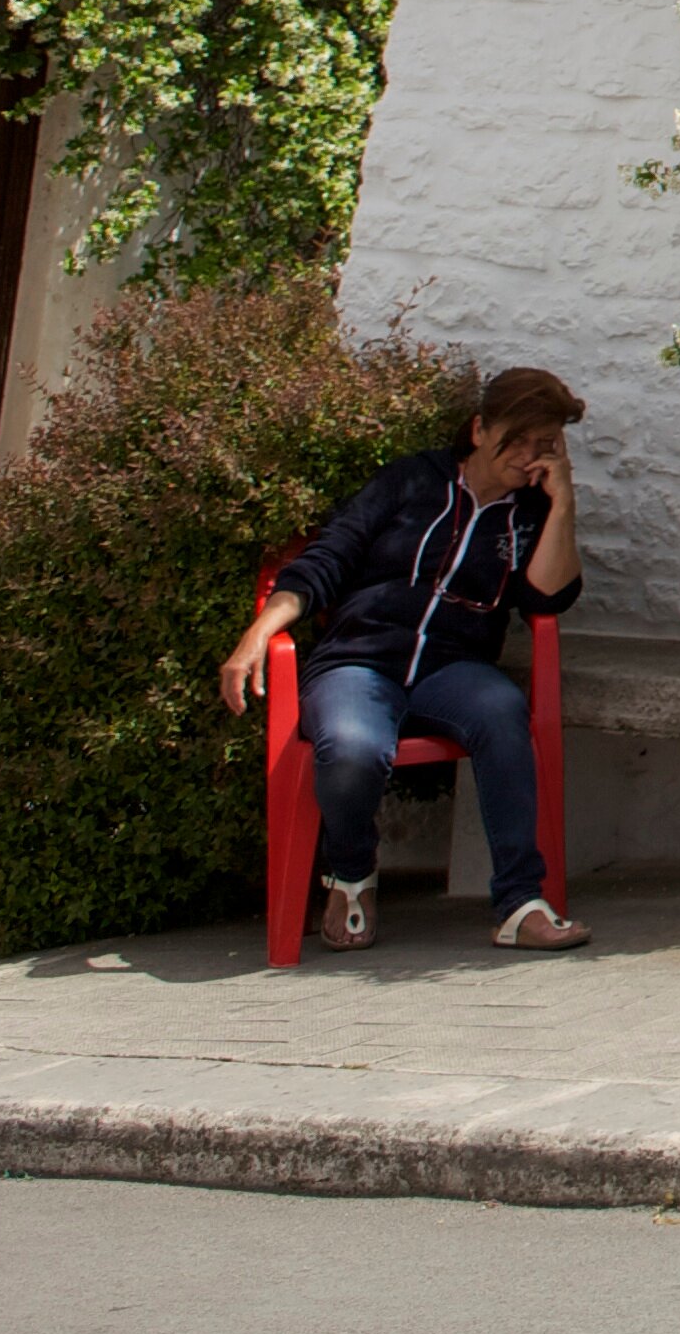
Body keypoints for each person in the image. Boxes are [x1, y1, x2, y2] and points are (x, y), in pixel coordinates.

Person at [219, 365, 591, 952]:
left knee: (501, 713)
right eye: (517, 439)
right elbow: (325, 560)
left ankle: (520, 903)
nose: (528, 456)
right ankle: (351, 874)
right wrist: (258, 634)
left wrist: (563, 499)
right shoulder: (411, 482)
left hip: (452, 672)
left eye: (545, 443)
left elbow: (548, 597)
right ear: (478, 429)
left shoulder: (531, 514)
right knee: (352, 750)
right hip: (358, 665)